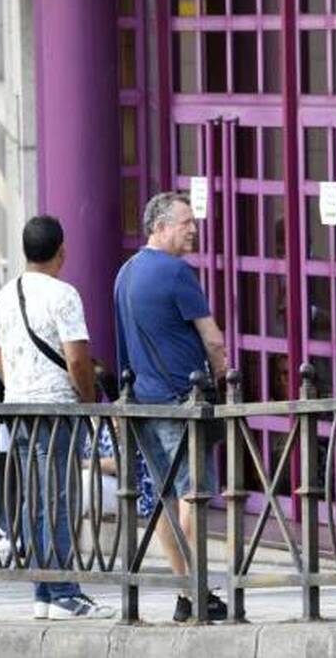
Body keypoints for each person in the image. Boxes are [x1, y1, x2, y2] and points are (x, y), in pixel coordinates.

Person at [0, 216, 115, 620]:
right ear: (62, 251)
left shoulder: (4, 297)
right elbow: (77, 360)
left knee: (35, 500)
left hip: (18, 409)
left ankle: (44, 592)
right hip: (56, 410)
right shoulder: (64, 295)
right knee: (59, 497)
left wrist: (19, 388)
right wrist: (89, 401)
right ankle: (63, 593)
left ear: (25, 251)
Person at [113, 192, 229, 622]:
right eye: (185, 222)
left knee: (164, 497)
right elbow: (212, 338)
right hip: (182, 399)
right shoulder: (178, 272)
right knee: (192, 494)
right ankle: (199, 590)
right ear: (160, 227)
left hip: (143, 402)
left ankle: (185, 590)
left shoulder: (125, 273)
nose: (193, 229)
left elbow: (124, 344)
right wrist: (223, 376)